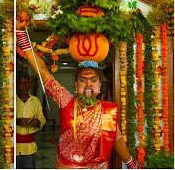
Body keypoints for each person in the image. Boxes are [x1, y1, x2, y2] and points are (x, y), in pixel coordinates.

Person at [16, 11, 139, 169]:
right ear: (75, 86)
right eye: (83, 80)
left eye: (93, 80)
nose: (88, 84)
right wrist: (21, 34)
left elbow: (117, 139)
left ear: (100, 85)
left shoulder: (107, 111)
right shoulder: (66, 100)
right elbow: (43, 70)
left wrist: (132, 165)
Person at [16, 71, 46, 169]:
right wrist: (17, 121)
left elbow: (42, 119)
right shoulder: (12, 100)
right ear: (17, 84)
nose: (24, 86)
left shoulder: (35, 101)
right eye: (22, 83)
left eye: (27, 83)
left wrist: (37, 122)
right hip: (14, 146)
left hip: (30, 147)